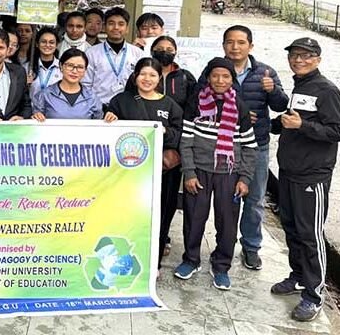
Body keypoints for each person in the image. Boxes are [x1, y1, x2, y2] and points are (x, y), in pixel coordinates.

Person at [270, 38, 340, 322]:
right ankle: (298, 276)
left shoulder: (327, 91)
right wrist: (268, 123)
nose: (298, 60)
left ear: (318, 59)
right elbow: (290, 119)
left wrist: (303, 125)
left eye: (306, 55)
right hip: (288, 170)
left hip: (312, 175)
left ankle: (314, 294)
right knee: (291, 228)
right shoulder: (300, 86)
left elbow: (335, 131)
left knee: (310, 235)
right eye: (294, 55)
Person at [175, 57, 257, 291]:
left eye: (226, 76)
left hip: (229, 174)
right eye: (215, 75)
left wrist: (244, 178)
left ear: (232, 80)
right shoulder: (196, 103)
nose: (220, 80)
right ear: (208, 77)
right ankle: (190, 260)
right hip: (199, 171)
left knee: (228, 221)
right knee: (194, 218)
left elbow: (249, 146)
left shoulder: (240, 107)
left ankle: (221, 265)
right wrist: (189, 172)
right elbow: (186, 140)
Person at [213, 25, 288, 271]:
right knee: (225, 199)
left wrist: (272, 89)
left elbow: (280, 106)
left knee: (254, 199)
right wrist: (236, 115)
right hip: (224, 144)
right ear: (223, 45)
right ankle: (223, 243)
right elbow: (202, 103)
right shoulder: (215, 71)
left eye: (241, 42)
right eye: (230, 42)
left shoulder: (265, 72)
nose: (235, 47)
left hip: (256, 145)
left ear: (250, 46)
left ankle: (251, 247)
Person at [104, 58, 183, 268]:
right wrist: (109, 119)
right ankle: (122, 260)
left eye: (152, 75)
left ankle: (153, 264)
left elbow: (179, 136)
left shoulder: (170, 105)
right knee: (127, 216)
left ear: (159, 78)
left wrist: (164, 132)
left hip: (163, 174)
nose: (147, 79)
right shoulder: (120, 101)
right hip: (128, 174)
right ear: (135, 76)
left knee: (160, 216)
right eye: (143, 74)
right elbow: (109, 134)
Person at [150, 35, 197, 257]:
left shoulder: (186, 77)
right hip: (145, 146)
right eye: (160, 48)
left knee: (167, 198)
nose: (165, 52)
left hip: (173, 146)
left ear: (176, 52)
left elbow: (192, 109)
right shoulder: (145, 74)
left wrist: (179, 142)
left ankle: (163, 236)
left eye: (169, 48)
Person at [83, 7, 144, 105]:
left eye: (121, 24)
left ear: (127, 28)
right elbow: (85, 84)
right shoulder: (91, 53)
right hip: (100, 108)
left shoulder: (138, 54)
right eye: (111, 23)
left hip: (129, 107)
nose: (116, 27)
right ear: (104, 27)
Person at [31, 49, 101, 121]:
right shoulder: (45, 95)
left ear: (85, 70)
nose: (74, 71)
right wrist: (36, 116)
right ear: (61, 66)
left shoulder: (92, 97)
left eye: (80, 67)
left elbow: (98, 125)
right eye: (70, 65)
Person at [29, 27, 61, 101]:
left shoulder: (62, 67)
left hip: (54, 110)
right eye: (43, 42)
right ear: (37, 44)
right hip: (33, 110)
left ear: (56, 45)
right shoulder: (28, 67)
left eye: (51, 42)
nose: (47, 45)